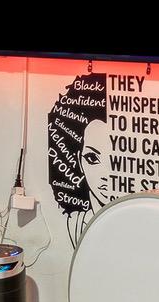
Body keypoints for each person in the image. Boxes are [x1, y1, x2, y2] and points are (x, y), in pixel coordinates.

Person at [45, 72, 111, 216]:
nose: (105, 175)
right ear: (80, 161)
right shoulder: (75, 222)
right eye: (92, 158)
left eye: (116, 161)